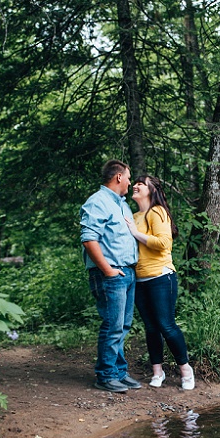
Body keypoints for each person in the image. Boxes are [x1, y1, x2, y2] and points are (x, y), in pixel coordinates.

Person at [125, 174, 195, 390]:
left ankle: (185, 369)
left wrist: (135, 233)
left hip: (161, 276)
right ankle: (158, 371)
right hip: (139, 279)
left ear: (151, 190)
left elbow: (164, 243)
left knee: (166, 325)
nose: (135, 185)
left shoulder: (157, 212)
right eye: (134, 182)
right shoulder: (133, 215)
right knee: (151, 327)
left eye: (140, 183)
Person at [80, 160, 142, 393]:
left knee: (123, 325)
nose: (129, 181)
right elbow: (88, 239)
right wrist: (107, 269)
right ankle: (105, 375)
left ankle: (119, 372)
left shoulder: (121, 205)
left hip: (126, 271)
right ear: (118, 177)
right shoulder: (98, 201)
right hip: (110, 273)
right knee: (113, 325)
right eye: (128, 177)